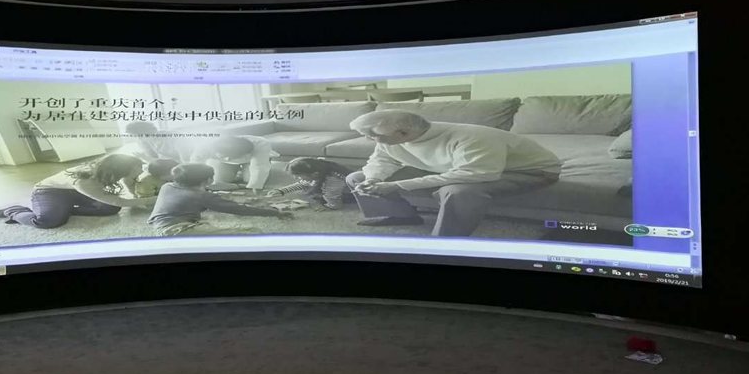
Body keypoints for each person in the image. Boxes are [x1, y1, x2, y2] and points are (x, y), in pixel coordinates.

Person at [346, 110, 562, 236]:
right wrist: (373, 179)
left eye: (371, 134)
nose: (368, 138)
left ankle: (447, 238)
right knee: (358, 178)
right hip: (458, 167)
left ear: (403, 132)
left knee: (457, 191)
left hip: (528, 171)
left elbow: (478, 174)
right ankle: (400, 216)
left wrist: (398, 185)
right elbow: (382, 161)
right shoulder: (391, 139)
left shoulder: (472, 137)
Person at [0, 154, 154, 229]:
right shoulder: (85, 179)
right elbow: (119, 200)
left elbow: (127, 183)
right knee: (47, 222)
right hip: (49, 191)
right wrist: (153, 200)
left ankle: (64, 210)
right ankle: (14, 211)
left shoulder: (110, 172)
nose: (141, 170)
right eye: (138, 167)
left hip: (76, 192)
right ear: (122, 168)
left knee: (110, 208)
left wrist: (136, 196)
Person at [148, 163, 293, 236]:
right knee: (252, 232)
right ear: (208, 180)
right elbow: (238, 210)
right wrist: (274, 212)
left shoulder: (167, 186)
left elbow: (208, 194)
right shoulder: (201, 195)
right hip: (176, 231)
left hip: (159, 225)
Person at [191, 135, 279, 191]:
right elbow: (195, 167)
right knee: (220, 181)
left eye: (231, 156)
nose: (228, 158)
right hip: (222, 162)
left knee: (249, 180)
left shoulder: (261, 144)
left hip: (251, 160)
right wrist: (197, 183)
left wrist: (255, 186)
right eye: (224, 156)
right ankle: (237, 173)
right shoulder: (204, 146)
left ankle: (246, 171)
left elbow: (259, 166)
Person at [267, 157, 353, 210]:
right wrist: (282, 190)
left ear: (314, 174)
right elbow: (302, 183)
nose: (296, 178)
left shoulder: (332, 180)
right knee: (310, 188)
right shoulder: (318, 172)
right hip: (334, 190)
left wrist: (329, 206)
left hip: (351, 194)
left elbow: (334, 200)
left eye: (298, 176)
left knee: (319, 196)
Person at [124, 121, 192, 163]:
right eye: (136, 137)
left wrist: (145, 158)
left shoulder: (174, 137)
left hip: (183, 165)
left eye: (139, 136)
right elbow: (156, 159)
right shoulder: (146, 141)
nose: (139, 139)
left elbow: (186, 161)